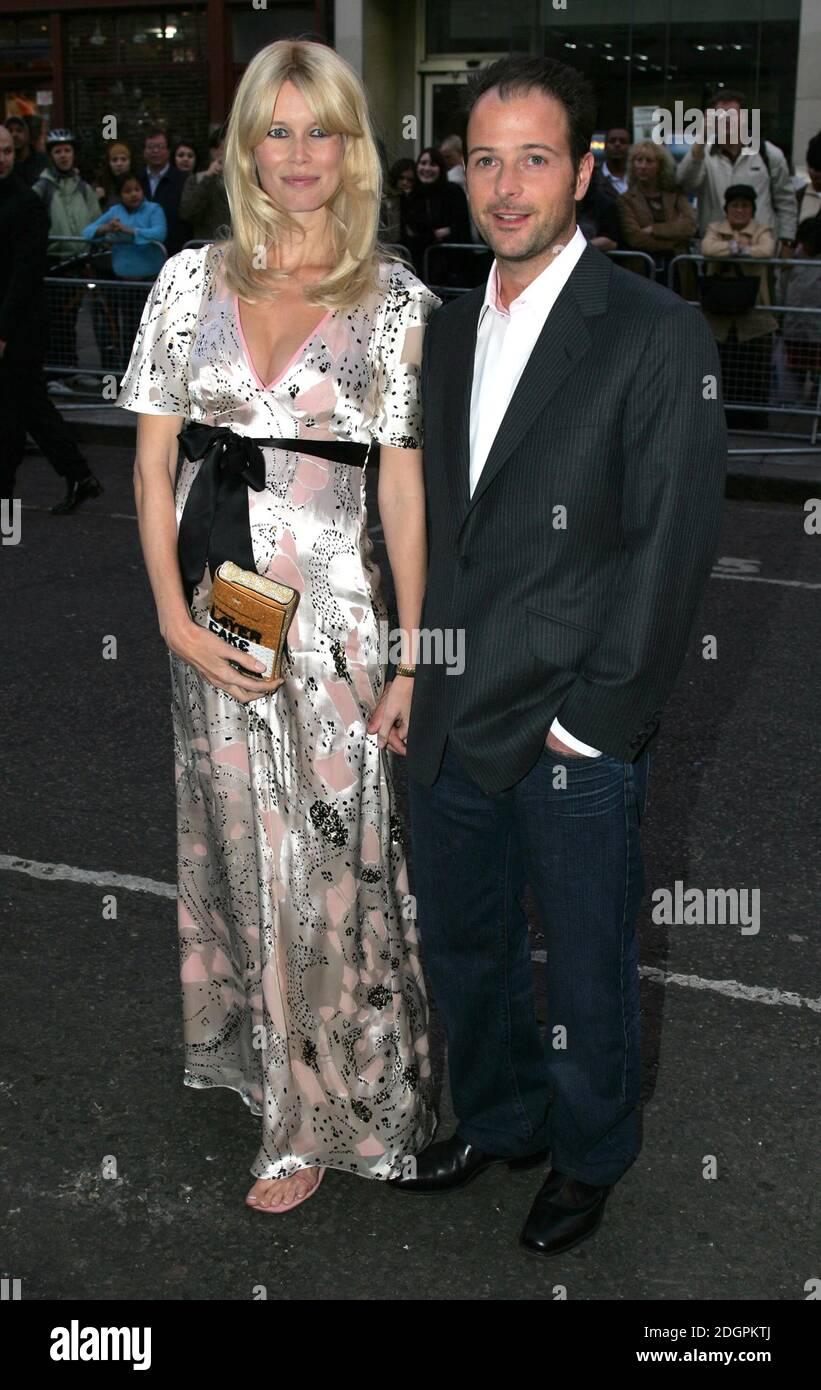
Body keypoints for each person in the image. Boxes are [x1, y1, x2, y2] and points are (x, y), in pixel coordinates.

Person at [392, 56, 726, 1258]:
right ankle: (500, 1120)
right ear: (458, 173)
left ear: (582, 170)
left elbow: (670, 549)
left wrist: (595, 723)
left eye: (535, 157)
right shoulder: (436, 330)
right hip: (446, 708)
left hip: (568, 725)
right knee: (463, 945)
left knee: (584, 972)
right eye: (484, 159)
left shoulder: (652, 330)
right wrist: (410, 669)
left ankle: (587, 1157)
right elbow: (427, 522)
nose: (507, 184)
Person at [116, 38, 439, 1214]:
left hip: (339, 628)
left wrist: (410, 655)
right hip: (219, 620)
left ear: (354, 147)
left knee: (335, 865)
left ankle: (323, 1113)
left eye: (323, 131)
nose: (299, 155)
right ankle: (266, 1068)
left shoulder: (396, 300)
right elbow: (152, 470)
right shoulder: (188, 282)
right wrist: (167, 617)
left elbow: (402, 489)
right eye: (276, 129)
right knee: (240, 850)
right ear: (245, 145)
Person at [0, 125, 102, 510]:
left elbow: (23, 275)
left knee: (14, 411)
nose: (2, 158)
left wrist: (4, 331)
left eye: (8, 150)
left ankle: (8, 500)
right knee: (27, 407)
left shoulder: (26, 201)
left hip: (20, 326)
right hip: (12, 323)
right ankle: (79, 475)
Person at [677, 88, 797, 254]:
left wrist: (787, 241)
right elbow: (685, 184)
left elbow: (785, 201)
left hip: (759, 249)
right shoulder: (701, 153)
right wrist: (701, 140)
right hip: (716, 249)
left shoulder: (769, 154)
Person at [700, 184, 777, 432]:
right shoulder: (715, 229)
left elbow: (766, 250)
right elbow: (707, 248)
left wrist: (739, 249)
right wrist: (736, 248)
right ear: (727, 209)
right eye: (735, 206)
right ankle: (715, 420)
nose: (740, 211)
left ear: (752, 210)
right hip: (719, 316)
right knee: (718, 371)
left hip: (754, 317)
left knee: (755, 371)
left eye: (745, 206)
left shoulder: (763, 230)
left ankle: (754, 422)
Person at [82, 173, 167, 370]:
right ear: (120, 194)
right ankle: (129, 369)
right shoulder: (115, 211)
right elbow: (87, 232)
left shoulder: (154, 209)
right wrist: (106, 228)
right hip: (123, 280)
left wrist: (128, 231)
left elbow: (159, 233)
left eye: (137, 190)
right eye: (127, 191)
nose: (133, 195)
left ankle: (153, 368)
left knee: (152, 327)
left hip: (149, 280)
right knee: (128, 327)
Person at [617, 140, 696, 283]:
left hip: (678, 270)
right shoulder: (625, 200)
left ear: (660, 166)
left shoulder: (675, 195)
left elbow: (689, 226)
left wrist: (653, 229)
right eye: (639, 160)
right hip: (643, 272)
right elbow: (635, 238)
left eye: (649, 161)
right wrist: (676, 241)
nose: (643, 166)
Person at [402, 146, 470, 280]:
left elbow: (460, 229)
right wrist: (435, 235)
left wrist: (427, 235)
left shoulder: (453, 192)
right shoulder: (412, 197)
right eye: (423, 163)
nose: (427, 168)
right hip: (419, 272)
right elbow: (410, 235)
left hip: (452, 273)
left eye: (433, 164)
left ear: (440, 168)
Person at [138, 128, 191, 255]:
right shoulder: (136, 179)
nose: (155, 151)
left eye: (160, 147)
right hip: (141, 249)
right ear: (144, 151)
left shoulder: (183, 180)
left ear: (168, 151)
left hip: (174, 251)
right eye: (151, 147)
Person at [178, 124, 231, 241]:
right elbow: (187, 213)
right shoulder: (197, 179)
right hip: (207, 247)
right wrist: (208, 177)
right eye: (226, 148)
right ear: (214, 152)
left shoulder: (248, 179)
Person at [6, 113, 47, 187]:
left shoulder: (42, 161)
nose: (14, 134)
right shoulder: (4, 163)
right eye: (10, 131)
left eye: (19, 130)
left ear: (27, 134)